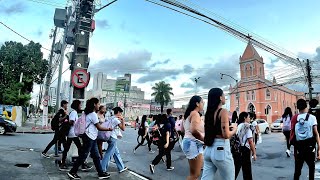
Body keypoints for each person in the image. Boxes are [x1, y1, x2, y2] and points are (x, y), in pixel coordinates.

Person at [67, 98, 113, 179]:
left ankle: (101, 173)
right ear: (94, 104)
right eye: (98, 104)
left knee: (96, 156)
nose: (99, 105)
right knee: (83, 156)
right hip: (89, 137)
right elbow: (99, 127)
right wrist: (109, 129)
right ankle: (72, 172)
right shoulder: (93, 114)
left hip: (91, 137)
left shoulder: (86, 113)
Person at [201, 88, 237, 180]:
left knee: (206, 178)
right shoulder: (223, 111)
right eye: (224, 95)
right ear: (220, 97)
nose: (225, 97)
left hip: (208, 149)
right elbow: (226, 135)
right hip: (221, 149)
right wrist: (234, 129)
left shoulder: (208, 113)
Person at [290, 99, 320, 180]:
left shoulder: (294, 118)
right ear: (306, 106)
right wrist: (319, 149)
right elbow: (316, 133)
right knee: (311, 168)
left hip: (299, 147)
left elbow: (292, 134)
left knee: (297, 170)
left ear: (297, 107)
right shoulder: (312, 118)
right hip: (309, 147)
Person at [60, 100, 92, 171]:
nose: (81, 106)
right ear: (77, 105)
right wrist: (77, 124)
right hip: (73, 133)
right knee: (80, 149)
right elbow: (71, 121)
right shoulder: (74, 112)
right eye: (80, 105)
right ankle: (82, 164)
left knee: (67, 148)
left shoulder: (73, 112)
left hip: (71, 133)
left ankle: (63, 164)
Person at [181, 96, 205, 180]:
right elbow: (194, 130)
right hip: (193, 143)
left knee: (193, 174)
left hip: (190, 142)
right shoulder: (195, 114)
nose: (203, 104)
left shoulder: (189, 114)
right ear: (197, 103)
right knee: (195, 175)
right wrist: (204, 140)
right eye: (202, 102)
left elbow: (182, 129)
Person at [101, 107, 127, 173]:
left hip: (109, 136)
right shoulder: (115, 119)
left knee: (116, 153)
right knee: (108, 154)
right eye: (121, 113)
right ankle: (102, 169)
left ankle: (121, 167)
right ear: (118, 112)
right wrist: (123, 120)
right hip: (113, 137)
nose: (121, 114)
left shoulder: (110, 118)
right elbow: (123, 128)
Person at [234, 112, 256, 180]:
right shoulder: (247, 126)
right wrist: (254, 153)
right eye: (248, 117)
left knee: (235, 169)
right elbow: (250, 141)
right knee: (247, 170)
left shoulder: (238, 126)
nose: (249, 119)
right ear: (245, 118)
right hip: (245, 149)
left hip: (237, 149)